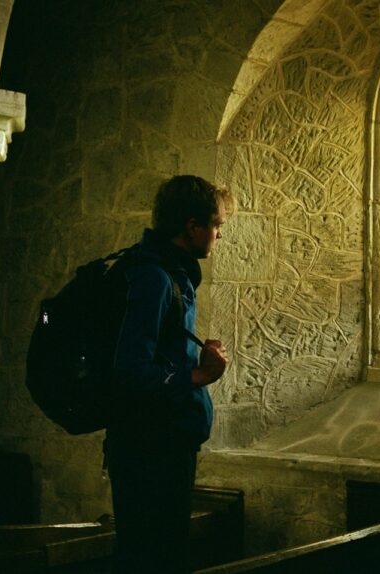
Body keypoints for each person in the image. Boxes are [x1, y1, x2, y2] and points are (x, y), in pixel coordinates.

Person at [106, 175, 233, 573]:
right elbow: (131, 371)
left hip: (163, 441)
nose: (218, 236)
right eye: (216, 226)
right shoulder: (155, 277)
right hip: (150, 448)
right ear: (192, 227)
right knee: (153, 557)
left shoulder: (168, 273)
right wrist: (199, 376)